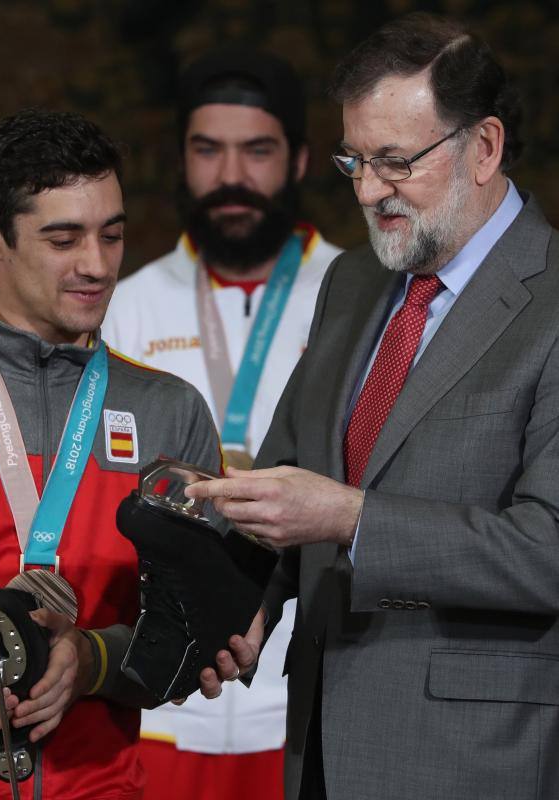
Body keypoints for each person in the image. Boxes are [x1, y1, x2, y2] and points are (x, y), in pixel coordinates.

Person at [188, 13, 559, 800]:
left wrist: (353, 519)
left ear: (484, 148)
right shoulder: (354, 284)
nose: (365, 191)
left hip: (474, 759)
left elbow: (547, 550)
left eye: (394, 162)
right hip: (317, 744)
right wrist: (247, 603)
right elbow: (293, 477)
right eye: (353, 159)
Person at [0, 108, 221, 800]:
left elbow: (204, 635)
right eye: (63, 239)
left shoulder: (170, 410)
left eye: (112, 235)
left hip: (101, 785)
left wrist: (93, 659)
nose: (96, 265)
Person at [102, 47, 342, 800]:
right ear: (180, 160)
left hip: (305, 697)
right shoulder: (126, 304)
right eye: (207, 150)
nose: (230, 175)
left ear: (299, 159)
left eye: (256, 150)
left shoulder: (357, 298)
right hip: (162, 706)